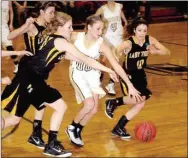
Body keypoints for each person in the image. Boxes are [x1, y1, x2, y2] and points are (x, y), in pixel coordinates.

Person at [1, 12, 118, 157]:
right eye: (69, 27)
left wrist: (94, 64)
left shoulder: (53, 40)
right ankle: (51, 144)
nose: (71, 29)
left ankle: (44, 140)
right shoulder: (61, 42)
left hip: (31, 78)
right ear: (60, 27)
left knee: (14, 119)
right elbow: (83, 58)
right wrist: (107, 69)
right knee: (60, 106)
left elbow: (76, 58)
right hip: (29, 79)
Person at [65, 14, 142, 147]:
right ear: (88, 27)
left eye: (102, 29)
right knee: (88, 104)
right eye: (98, 29)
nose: (101, 32)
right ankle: (71, 127)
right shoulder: (75, 36)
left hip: (93, 74)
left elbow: (116, 65)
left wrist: (129, 85)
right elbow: (58, 40)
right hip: (77, 72)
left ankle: (78, 129)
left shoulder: (101, 45)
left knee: (94, 109)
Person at [2, 1, 56, 149]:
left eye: (54, 12)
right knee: (15, 116)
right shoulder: (32, 25)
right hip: (27, 72)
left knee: (41, 102)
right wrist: (24, 26)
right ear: (41, 12)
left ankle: (35, 135)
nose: (53, 15)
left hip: (38, 71)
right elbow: (11, 35)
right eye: (50, 12)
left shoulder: (49, 27)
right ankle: (35, 135)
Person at [105, 17, 171, 140]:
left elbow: (167, 52)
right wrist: (117, 54)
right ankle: (114, 102)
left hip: (140, 74)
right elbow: (115, 49)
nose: (142, 33)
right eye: (139, 30)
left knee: (140, 103)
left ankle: (118, 127)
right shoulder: (129, 43)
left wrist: (156, 52)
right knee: (138, 99)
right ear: (134, 30)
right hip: (128, 75)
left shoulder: (149, 40)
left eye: (144, 30)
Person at [95, 1, 128, 96]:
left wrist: (124, 20)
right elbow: (93, 19)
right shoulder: (102, 9)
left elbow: (120, 12)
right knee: (103, 60)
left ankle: (111, 83)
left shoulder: (119, 6)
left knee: (116, 61)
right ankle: (99, 78)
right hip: (107, 37)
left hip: (118, 37)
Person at [2, 1, 19, 73]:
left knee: (9, 47)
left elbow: (11, 11)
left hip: (3, 26)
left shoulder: (8, 1)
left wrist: (11, 24)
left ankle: (17, 65)